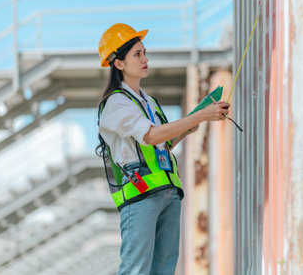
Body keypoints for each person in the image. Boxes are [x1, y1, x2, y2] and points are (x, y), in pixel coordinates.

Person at [96, 23, 230, 275]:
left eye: (145, 52)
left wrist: (193, 123)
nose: (145, 59)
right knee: (135, 270)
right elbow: (150, 135)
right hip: (141, 194)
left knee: (164, 270)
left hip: (168, 191)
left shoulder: (149, 102)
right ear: (119, 63)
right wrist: (199, 115)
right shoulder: (116, 103)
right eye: (137, 54)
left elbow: (162, 144)